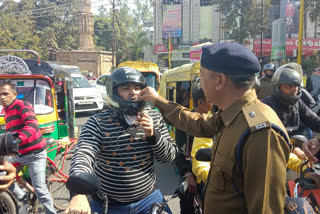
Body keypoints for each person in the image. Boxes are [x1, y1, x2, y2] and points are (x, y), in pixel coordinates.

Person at [138, 43, 291, 213]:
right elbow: (198, 124)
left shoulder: (261, 132)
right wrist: (157, 100)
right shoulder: (232, 113)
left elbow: (265, 209)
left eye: (202, 76)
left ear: (219, 80)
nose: (200, 82)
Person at [66, 67, 177, 214]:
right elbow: (83, 154)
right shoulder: (98, 122)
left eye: (137, 88)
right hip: (109, 204)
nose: (133, 92)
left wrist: (153, 136)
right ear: (114, 91)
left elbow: (169, 157)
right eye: (126, 88)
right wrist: (79, 191)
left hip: (148, 199)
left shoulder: (154, 117)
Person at [0, 80, 56, 214]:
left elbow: (32, 125)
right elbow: (9, 133)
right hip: (19, 154)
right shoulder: (7, 112)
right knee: (2, 176)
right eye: (0, 95)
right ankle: (22, 196)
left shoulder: (23, 105)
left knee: (40, 190)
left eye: (5, 94)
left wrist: (17, 140)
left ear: (14, 94)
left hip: (34, 155)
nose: (2, 97)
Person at [175, 78, 212, 214]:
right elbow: (178, 153)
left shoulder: (215, 120)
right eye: (211, 100)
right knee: (186, 199)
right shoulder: (185, 122)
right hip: (190, 172)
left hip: (210, 172)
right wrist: (188, 174)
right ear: (201, 102)